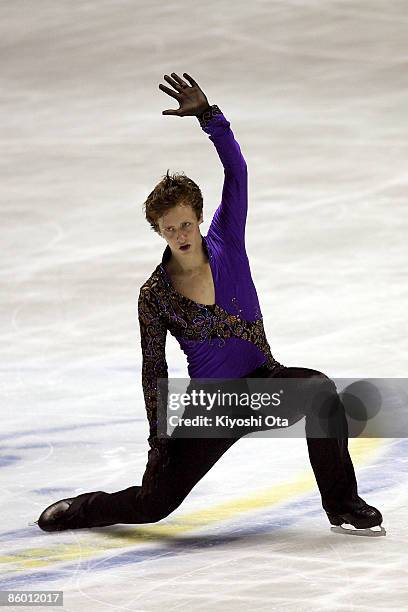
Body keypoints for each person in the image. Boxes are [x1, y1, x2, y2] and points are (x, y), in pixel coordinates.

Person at [36, 72, 382, 532]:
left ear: (199, 217)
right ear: (158, 231)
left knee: (321, 393)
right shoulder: (155, 295)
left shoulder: (228, 241)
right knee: (154, 504)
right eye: (167, 228)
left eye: (184, 224)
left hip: (263, 382)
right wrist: (159, 439)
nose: (178, 235)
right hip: (213, 406)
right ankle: (84, 509)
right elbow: (153, 368)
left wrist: (208, 117)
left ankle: (341, 504)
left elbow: (237, 171)